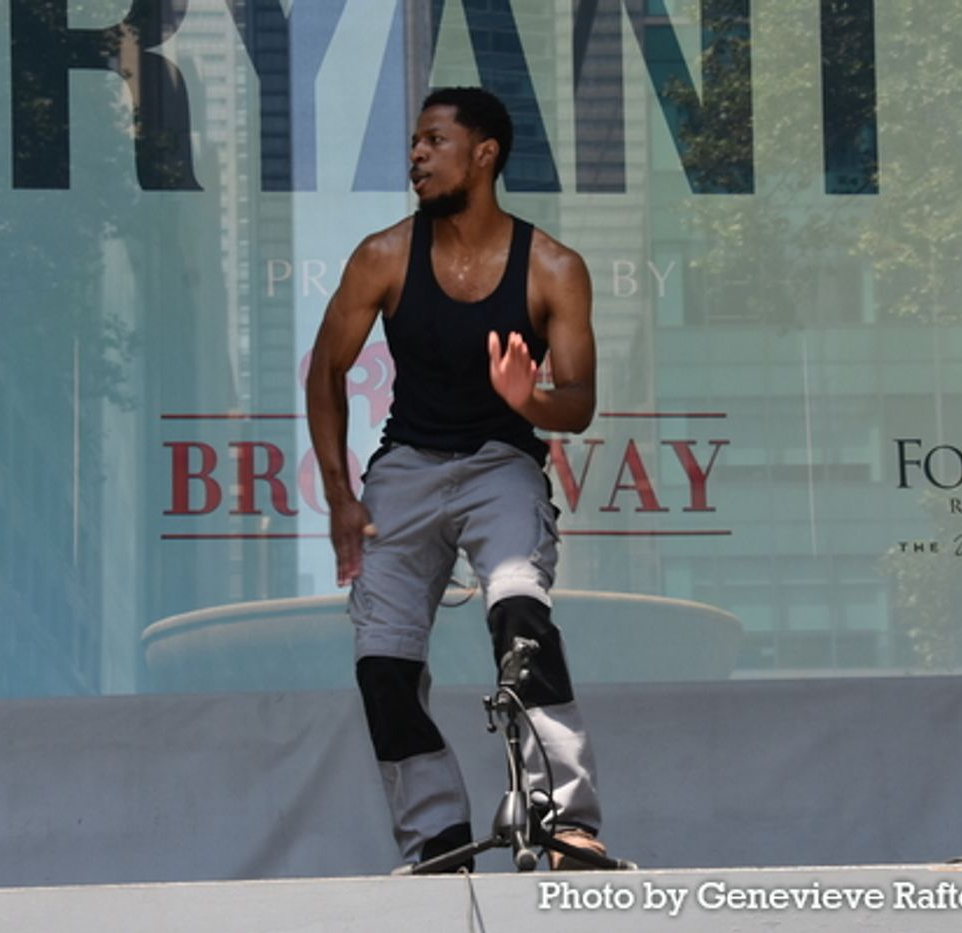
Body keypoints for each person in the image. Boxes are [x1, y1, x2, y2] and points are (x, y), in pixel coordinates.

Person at [305, 87, 605, 872]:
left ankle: (564, 822)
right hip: (406, 468)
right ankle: (438, 838)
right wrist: (340, 495)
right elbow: (326, 368)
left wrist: (528, 398)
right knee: (384, 666)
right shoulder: (382, 256)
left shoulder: (552, 267)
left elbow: (577, 402)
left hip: (500, 465)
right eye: (414, 141)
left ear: (484, 154)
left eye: (434, 141)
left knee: (520, 617)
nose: (416, 155)